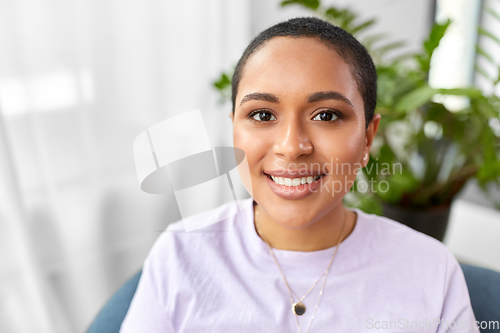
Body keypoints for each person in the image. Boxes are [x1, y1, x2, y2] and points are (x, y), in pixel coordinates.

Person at [120, 17, 479, 333]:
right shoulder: (181, 253)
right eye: (262, 115)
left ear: (368, 136)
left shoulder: (430, 270)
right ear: (233, 131)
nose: (292, 147)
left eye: (326, 115)